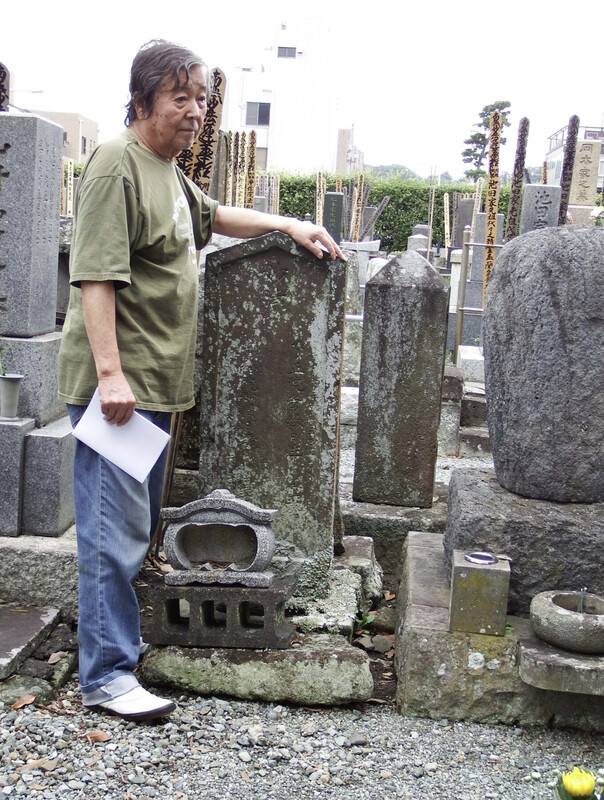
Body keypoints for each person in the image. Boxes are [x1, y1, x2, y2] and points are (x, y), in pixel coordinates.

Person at [58, 39, 343, 722]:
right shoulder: (115, 166)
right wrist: (110, 375)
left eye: (202, 99)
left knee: (132, 529)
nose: (194, 112)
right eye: (179, 97)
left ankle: (115, 661)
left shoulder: (166, 171)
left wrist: (289, 224)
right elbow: (95, 275)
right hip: (120, 391)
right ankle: (105, 677)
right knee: (112, 533)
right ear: (142, 100)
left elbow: (213, 217)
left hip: (156, 388)